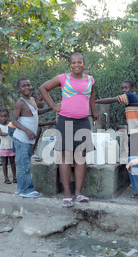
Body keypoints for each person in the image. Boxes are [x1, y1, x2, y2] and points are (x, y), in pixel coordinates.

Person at [39, 52, 99, 207]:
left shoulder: (90, 80)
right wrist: (53, 106)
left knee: (80, 158)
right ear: (70, 65)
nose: (77, 65)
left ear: (84, 63)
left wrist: (94, 112)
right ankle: (67, 194)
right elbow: (43, 88)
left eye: (80, 62)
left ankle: (78, 193)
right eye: (74, 62)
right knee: (65, 157)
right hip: (65, 121)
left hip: (83, 122)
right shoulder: (63, 78)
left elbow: (92, 94)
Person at [96, 80, 138, 157]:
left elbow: (112, 100)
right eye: (122, 88)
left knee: (133, 158)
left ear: (132, 88)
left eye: (126, 88)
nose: (123, 90)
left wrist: (94, 101)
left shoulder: (130, 96)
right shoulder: (135, 98)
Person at [11, 77, 44, 198]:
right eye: (24, 86)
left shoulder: (32, 100)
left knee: (24, 164)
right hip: (22, 138)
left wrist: (53, 107)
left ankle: (20, 189)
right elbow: (13, 120)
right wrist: (26, 130)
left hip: (28, 139)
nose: (27, 87)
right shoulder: (20, 103)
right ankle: (27, 190)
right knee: (24, 165)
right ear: (19, 89)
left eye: (28, 85)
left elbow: (36, 113)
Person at [31, 92, 56, 161]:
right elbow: (37, 123)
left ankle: (31, 152)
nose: (42, 102)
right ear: (34, 101)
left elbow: (39, 112)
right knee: (38, 129)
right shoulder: (29, 109)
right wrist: (52, 122)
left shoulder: (33, 108)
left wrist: (52, 107)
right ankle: (31, 152)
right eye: (40, 100)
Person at [0, 109, 17, 184]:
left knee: (12, 162)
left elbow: (15, 131)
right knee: (4, 162)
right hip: (4, 147)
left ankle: (15, 177)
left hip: (11, 145)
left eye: (5, 116)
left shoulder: (11, 124)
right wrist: (10, 132)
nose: (3, 118)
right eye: (1, 116)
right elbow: (1, 133)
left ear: (8, 116)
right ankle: (6, 178)